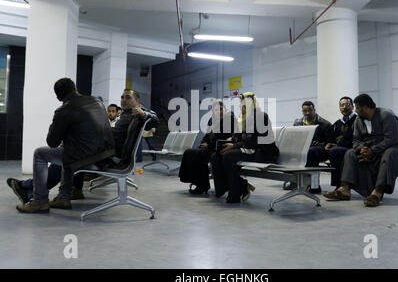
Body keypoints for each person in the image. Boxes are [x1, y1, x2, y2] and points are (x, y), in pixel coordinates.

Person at [7, 88, 158, 206]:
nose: (124, 100)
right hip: (106, 152)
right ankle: (75, 190)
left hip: (112, 158)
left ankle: (29, 188)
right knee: (76, 150)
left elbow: (154, 119)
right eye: (122, 97)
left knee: (69, 156)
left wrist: (144, 115)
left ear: (137, 101)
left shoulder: (137, 113)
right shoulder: (124, 114)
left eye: (128, 97)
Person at [14, 78, 115, 213]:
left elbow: (52, 142)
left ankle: (40, 201)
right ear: (75, 88)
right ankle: (65, 196)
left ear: (57, 97)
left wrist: (58, 121)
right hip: (106, 155)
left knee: (39, 153)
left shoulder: (63, 110)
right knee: (68, 149)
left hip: (85, 158)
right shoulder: (97, 102)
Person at [324, 94, 398, 207]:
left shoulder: (386, 115)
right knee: (350, 153)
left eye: (357, 108)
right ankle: (344, 189)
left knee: (389, 153)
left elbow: (392, 139)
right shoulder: (358, 120)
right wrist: (362, 150)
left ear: (365, 107)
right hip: (373, 149)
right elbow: (355, 140)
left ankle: (378, 192)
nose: (356, 110)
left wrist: (373, 151)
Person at [211, 92, 279, 203]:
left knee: (229, 156)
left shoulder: (261, 117)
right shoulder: (243, 118)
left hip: (263, 152)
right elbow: (237, 137)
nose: (239, 106)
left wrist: (235, 145)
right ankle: (233, 187)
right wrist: (230, 142)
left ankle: (236, 193)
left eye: (241, 104)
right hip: (249, 150)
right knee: (216, 156)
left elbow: (256, 141)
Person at [179, 100, 237, 195]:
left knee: (199, 155)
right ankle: (198, 182)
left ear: (225, 109)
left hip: (221, 147)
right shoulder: (212, 120)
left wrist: (209, 145)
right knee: (189, 152)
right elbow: (207, 135)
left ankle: (202, 186)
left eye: (221, 109)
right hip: (210, 147)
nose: (219, 111)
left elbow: (224, 136)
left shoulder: (230, 119)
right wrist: (203, 143)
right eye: (216, 110)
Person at [304, 97, 357, 189]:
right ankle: (314, 185)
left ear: (352, 107)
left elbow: (356, 139)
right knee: (312, 151)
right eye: (341, 105)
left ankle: (339, 186)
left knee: (335, 151)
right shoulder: (337, 123)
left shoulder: (357, 121)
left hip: (349, 149)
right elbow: (331, 138)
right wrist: (329, 144)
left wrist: (337, 145)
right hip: (335, 148)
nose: (344, 107)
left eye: (347, 104)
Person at [292, 101, 331, 193]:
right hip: (304, 149)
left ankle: (314, 185)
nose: (307, 113)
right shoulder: (298, 123)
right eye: (305, 111)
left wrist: (318, 144)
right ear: (302, 111)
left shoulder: (325, 124)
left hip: (320, 150)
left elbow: (329, 142)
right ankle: (294, 181)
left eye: (310, 110)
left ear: (314, 110)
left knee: (310, 152)